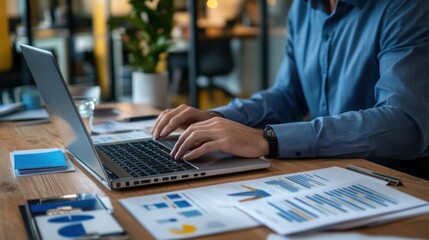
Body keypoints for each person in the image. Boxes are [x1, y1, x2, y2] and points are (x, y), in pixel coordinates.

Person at [152, 0, 429, 179]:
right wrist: (215, 118)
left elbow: (405, 123)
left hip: (397, 180)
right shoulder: (303, 8)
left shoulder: (406, 6)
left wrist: (268, 139)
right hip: (331, 171)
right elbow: (287, 95)